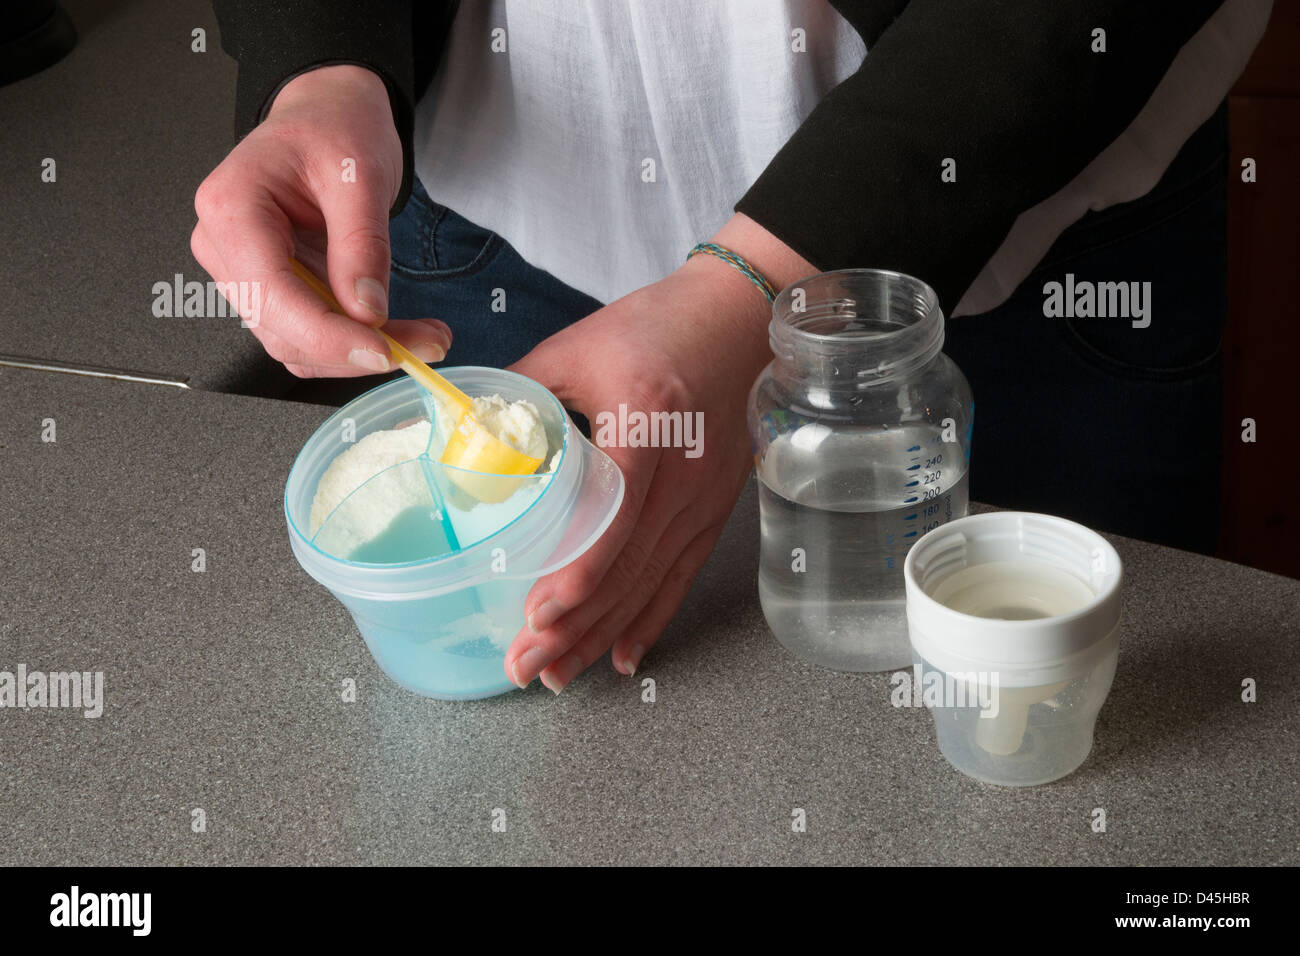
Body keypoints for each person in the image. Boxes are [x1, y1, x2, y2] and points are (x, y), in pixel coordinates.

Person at [196, 0, 1270, 693]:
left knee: (1085, 734)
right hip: (488, 225)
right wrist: (317, 61)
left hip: (1008, 239)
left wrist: (756, 289)